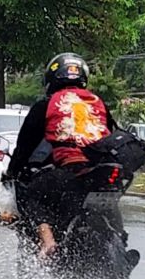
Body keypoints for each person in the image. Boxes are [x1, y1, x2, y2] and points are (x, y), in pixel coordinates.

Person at [7, 53, 117, 258]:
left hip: (72, 168)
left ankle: (48, 242)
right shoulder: (98, 102)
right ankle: (120, 243)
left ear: (52, 78)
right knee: (108, 200)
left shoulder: (47, 105)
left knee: (33, 194)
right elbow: (110, 132)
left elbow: (25, 147)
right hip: (102, 170)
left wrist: (12, 172)